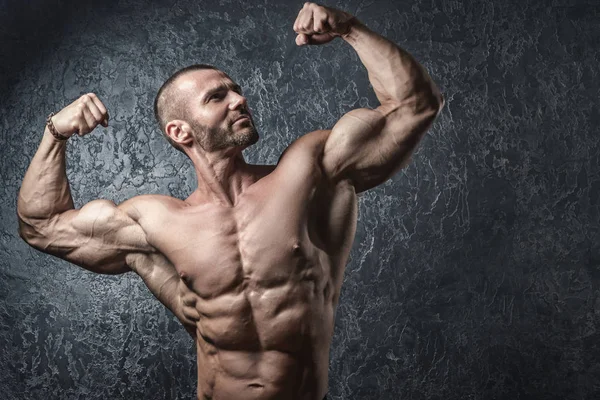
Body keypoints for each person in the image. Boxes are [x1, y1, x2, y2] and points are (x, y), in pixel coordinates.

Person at [17, 3, 443, 399]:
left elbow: (414, 106)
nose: (239, 99)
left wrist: (349, 28)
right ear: (180, 132)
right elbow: (42, 225)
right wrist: (55, 133)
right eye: (216, 97)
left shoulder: (310, 171)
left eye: (235, 90)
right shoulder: (157, 220)